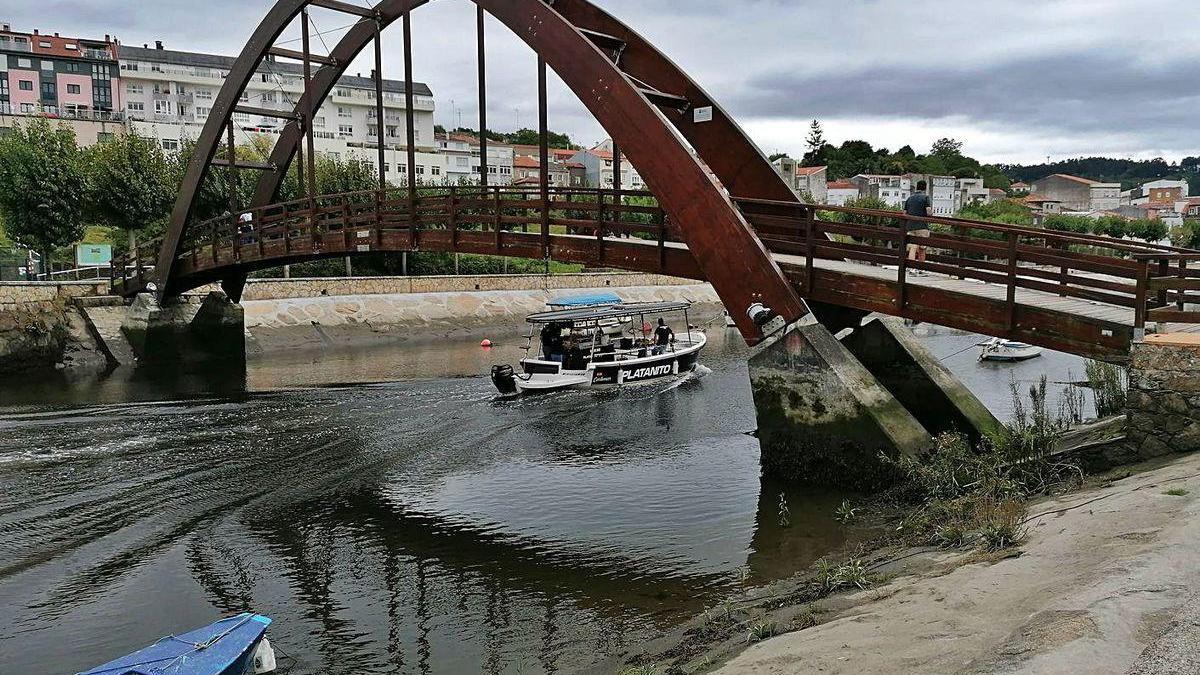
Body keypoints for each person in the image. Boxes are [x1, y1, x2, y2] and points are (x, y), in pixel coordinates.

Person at [903, 180, 932, 269]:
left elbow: (904, 213)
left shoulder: (910, 198)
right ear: (925, 188)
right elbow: (929, 212)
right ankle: (920, 269)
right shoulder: (926, 198)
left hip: (910, 226)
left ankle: (911, 268)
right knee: (922, 248)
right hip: (922, 226)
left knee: (912, 247)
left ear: (917, 187)